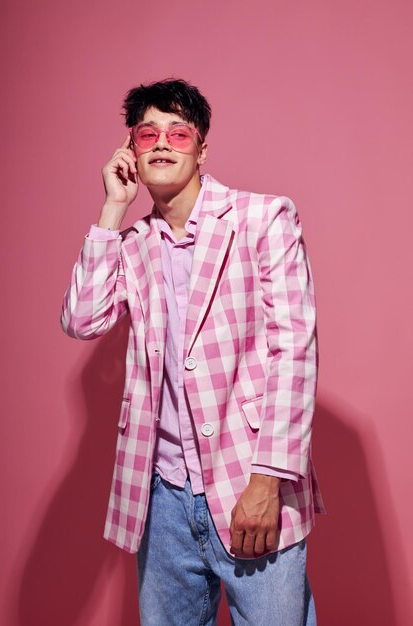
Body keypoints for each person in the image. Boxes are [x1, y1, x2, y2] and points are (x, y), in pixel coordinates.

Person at [61, 78, 326, 626]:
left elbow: (294, 352)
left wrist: (267, 480)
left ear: (202, 149)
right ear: (131, 151)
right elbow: (82, 320)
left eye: (177, 133)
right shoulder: (131, 245)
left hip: (248, 486)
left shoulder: (264, 219)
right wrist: (113, 208)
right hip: (160, 502)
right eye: (146, 133)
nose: (161, 142)